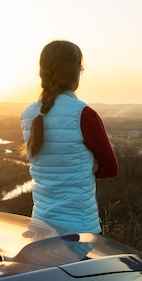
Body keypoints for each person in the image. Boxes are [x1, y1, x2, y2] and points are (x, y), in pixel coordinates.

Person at [21, 40, 118, 237]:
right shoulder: (84, 114)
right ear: (75, 73)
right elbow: (111, 168)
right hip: (79, 230)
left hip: (40, 226)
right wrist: (89, 165)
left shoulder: (28, 114)